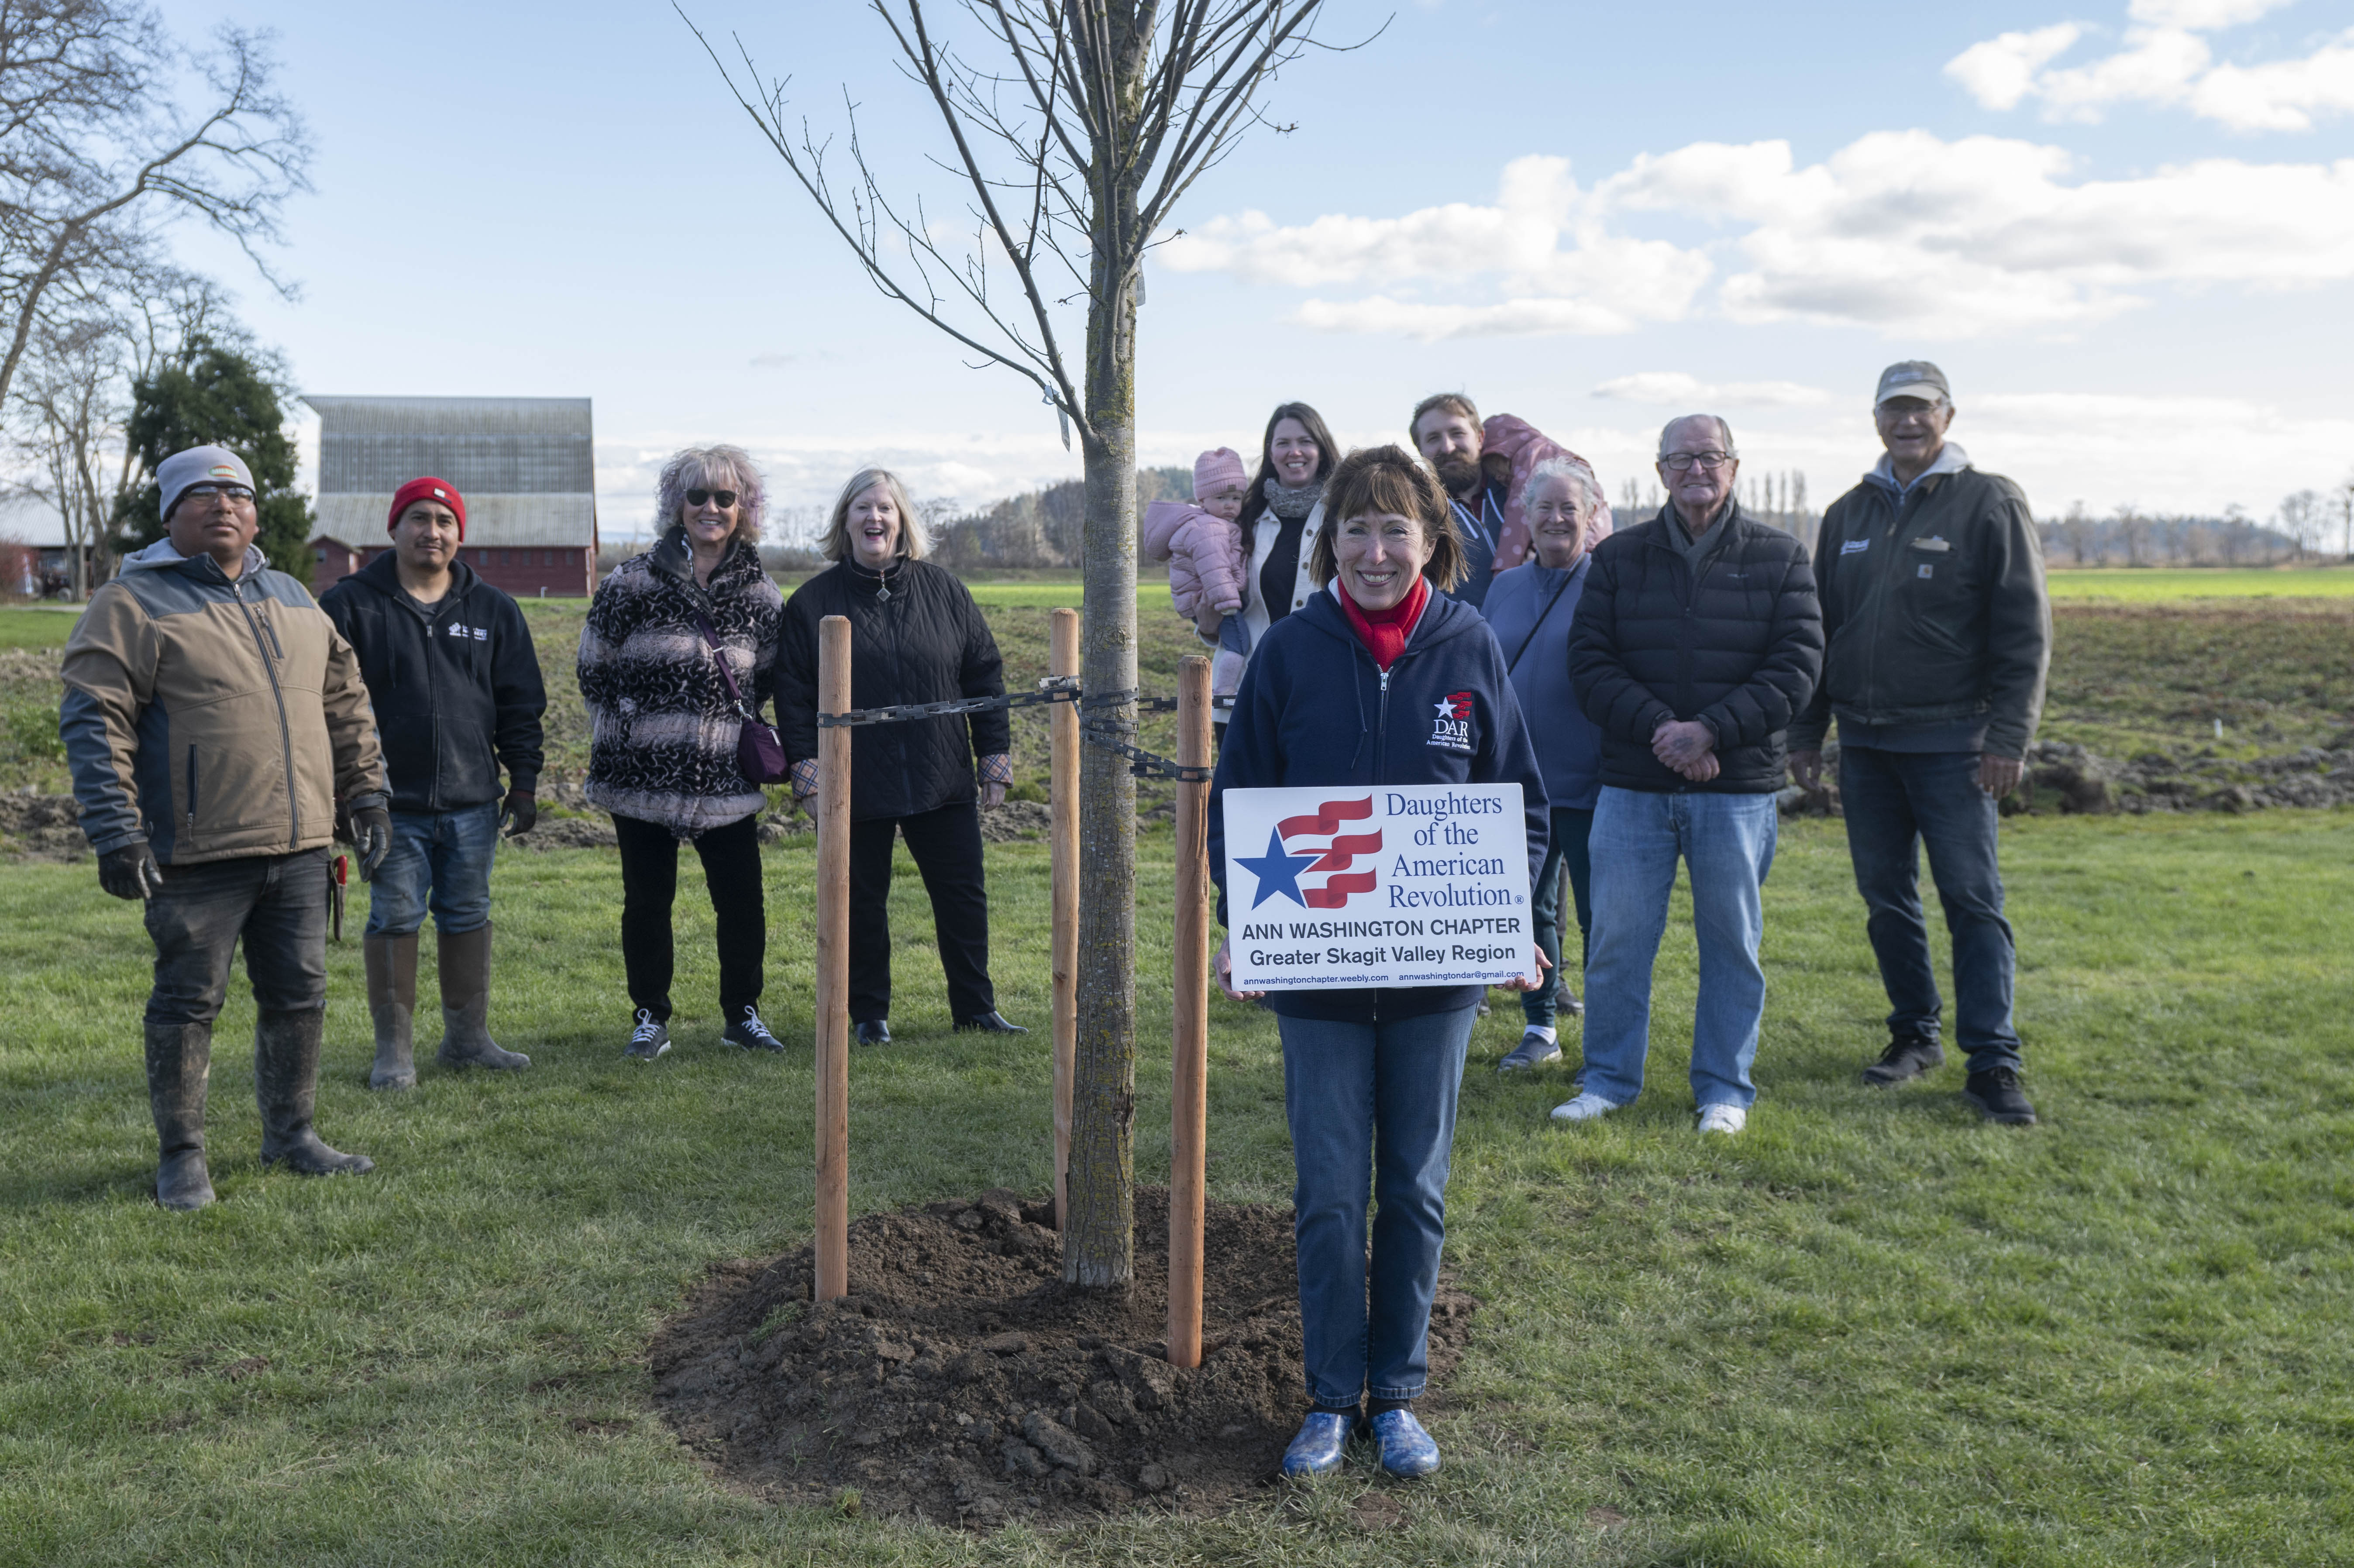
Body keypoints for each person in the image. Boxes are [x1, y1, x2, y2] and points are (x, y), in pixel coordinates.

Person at [1209, 444, 1550, 1482]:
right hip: (1315, 973)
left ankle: (1395, 1397)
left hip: (1435, 979)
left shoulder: (1468, 645)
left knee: (1412, 1186)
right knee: (1324, 1190)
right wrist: (1243, 922)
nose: (1372, 549)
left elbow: (1520, 803)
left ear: (1432, 541)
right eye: (1352, 528)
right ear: (1328, 546)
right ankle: (1326, 1397)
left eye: (1395, 528)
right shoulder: (1290, 652)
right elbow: (1238, 801)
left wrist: (1510, 917)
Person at [59, 445, 389, 1210]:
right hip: (194, 852)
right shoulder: (131, 602)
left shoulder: (295, 598)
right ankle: (182, 1158)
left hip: (303, 845)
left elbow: (345, 700)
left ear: (256, 512)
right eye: (201, 494)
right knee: (186, 1001)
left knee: (300, 994)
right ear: (171, 513)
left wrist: (366, 794)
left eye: (236, 493)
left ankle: (293, 1133)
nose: (222, 505)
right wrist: (116, 830)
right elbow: (93, 717)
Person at [1788, 361, 2051, 1126]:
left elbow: (2024, 631)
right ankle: (1914, 1034)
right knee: (1885, 897)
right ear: (1875, 420)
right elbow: (1821, 632)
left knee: (1971, 897)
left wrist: (2007, 736)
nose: (1906, 422)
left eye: (1921, 409)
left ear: (1947, 414)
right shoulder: (1846, 514)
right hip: (1867, 746)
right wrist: (1809, 731)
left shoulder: (1988, 501)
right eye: (1892, 410)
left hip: (1956, 744)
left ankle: (1993, 1060)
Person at [1557, 415, 1822, 1136]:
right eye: (1681, 458)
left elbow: (1795, 668)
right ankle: (1608, 1080)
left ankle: (1724, 1090)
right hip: (1633, 785)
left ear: (1733, 466)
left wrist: (1710, 731)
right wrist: (1663, 733)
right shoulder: (1617, 558)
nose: (1695, 469)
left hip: (1735, 790)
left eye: (1709, 456)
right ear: (1660, 470)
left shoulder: (1781, 557)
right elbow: (1589, 663)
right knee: (1615, 939)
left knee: (1731, 943)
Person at [776, 467, 1024, 1044]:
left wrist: (994, 760)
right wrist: (809, 779)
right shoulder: (812, 602)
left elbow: (984, 675)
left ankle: (975, 1007)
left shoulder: (946, 591)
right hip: (854, 782)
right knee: (861, 901)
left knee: (963, 896)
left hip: (941, 775)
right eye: (862, 508)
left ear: (902, 520)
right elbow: (792, 696)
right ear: (845, 522)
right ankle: (869, 1016)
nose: (874, 519)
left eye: (885, 508)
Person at [321, 476, 547, 1090]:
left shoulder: (493, 610)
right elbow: (322, 709)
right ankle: (394, 1052)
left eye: (445, 522)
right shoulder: (349, 606)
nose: (433, 532)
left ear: (460, 534)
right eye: (419, 519)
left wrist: (522, 784)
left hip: (474, 803)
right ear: (394, 529)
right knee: (394, 917)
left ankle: (468, 1041)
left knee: (468, 911)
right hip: (388, 806)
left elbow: (521, 703)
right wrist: (344, 797)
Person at [578, 445, 785, 1061]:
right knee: (647, 902)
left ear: (744, 508)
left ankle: (742, 1015)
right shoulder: (630, 582)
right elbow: (594, 668)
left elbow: (771, 678)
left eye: (726, 498)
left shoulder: (762, 595)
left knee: (741, 902)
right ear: (678, 504)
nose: (711, 508)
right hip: (640, 774)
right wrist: (631, 729)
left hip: (726, 778)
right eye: (698, 496)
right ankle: (650, 1017)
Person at [1481, 458, 1607, 1073]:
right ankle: (1542, 1030)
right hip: (1516, 786)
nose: (1556, 519)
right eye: (1545, 508)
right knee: (1526, 909)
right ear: (1525, 517)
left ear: (1588, 518)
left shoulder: (1608, 581)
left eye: (1569, 509)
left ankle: (1609, 1042)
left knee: (1599, 911)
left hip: (1592, 777)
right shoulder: (1503, 587)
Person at [1191, 402, 1341, 730]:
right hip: (1246, 689)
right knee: (1242, 783)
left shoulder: (1345, 515)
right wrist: (1205, 626)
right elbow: (1212, 583)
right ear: (1270, 453)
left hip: (1323, 689)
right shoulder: (1243, 517)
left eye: (1305, 441)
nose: (1294, 452)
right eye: (1283, 443)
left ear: (1322, 448)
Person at [1141, 447, 1251, 706]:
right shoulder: (1208, 528)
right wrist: (1228, 604)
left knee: (1236, 643)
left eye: (1236, 498)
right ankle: (1224, 689)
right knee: (1239, 644)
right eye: (1222, 497)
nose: (1230, 505)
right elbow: (1215, 569)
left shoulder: (1214, 524)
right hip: (1215, 601)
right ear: (1202, 500)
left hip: (1209, 597)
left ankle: (1225, 688)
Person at [1408, 393, 1504, 609]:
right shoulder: (1417, 517)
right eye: (1433, 438)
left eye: (1457, 433)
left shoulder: (1521, 495)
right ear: (1420, 451)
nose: (1448, 447)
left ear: (1480, 437)